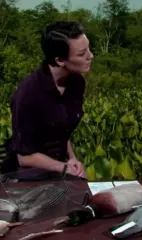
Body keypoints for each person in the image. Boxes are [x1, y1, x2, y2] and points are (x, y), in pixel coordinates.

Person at [1, 20, 93, 181]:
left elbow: (62, 129)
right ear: (59, 60)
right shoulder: (28, 94)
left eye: (89, 49)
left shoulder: (77, 82)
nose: (90, 56)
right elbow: (25, 157)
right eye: (81, 54)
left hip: (58, 167)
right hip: (24, 174)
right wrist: (64, 168)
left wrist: (72, 159)